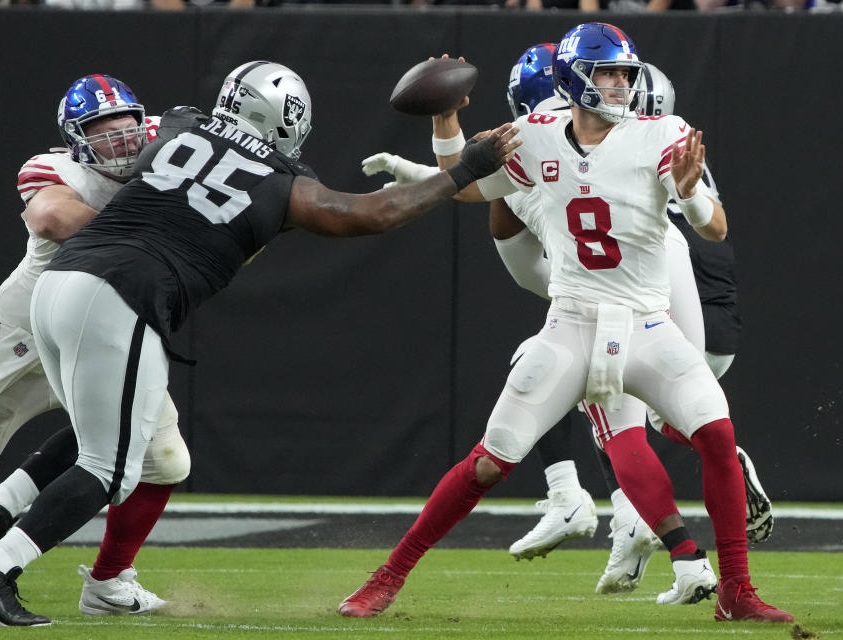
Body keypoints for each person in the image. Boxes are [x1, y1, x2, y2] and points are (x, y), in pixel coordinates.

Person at [0, 60, 519, 627]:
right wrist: (463, 169)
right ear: (287, 119)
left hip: (61, 285)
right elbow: (372, 213)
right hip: (120, 295)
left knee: (142, 452)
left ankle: (40, 544)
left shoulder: (180, 124)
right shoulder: (282, 183)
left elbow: (157, 146)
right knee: (107, 467)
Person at [339, 23, 792, 623]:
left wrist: (690, 196)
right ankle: (386, 578)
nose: (621, 85)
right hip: (572, 323)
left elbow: (715, 227)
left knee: (716, 432)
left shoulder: (662, 134)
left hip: (647, 323)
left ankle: (736, 588)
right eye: (608, 73)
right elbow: (464, 184)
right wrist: (443, 119)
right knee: (488, 462)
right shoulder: (534, 136)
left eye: (626, 74)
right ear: (576, 78)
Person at [0, 74, 188, 617]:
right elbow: (51, 216)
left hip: (109, 323)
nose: (121, 140)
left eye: (127, 126)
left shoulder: (172, 136)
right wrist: (161, 230)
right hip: (29, 323)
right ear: (75, 138)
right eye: (101, 131)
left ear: (144, 120)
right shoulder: (51, 168)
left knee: (162, 459)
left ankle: (108, 582)